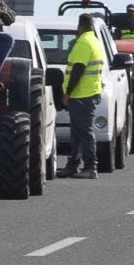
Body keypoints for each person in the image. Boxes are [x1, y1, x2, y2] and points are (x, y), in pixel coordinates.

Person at [57, 14, 105, 179]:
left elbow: (77, 69)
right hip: (87, 92)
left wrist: (67, 92)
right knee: (77, 133)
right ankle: (73, 165)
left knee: (84, 132)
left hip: (82, 94)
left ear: (80, 26)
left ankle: (91, 167)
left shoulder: (84, 43)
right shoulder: (95, 41)